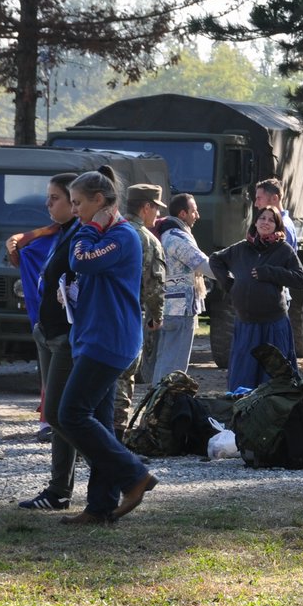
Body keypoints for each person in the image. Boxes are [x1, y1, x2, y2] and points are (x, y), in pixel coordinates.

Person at [57, 169, 157, 526]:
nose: (74, 210)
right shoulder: (103, 232)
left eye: (79, 203)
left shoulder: (122, 235)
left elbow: (81, 259)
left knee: (70, 415)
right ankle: (100, 507)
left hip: (110, 341)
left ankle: (135, 474)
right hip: (92, 338)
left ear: (99, 201)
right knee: (99, 423)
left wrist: (92, 227)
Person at [17, 172, 82, 511]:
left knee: (61, 414)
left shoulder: (80, 237)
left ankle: (118, 469)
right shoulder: (58, 234)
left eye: (54, 198)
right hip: (49, 332)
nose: (48, 204)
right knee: (56, 415)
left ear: (74, 203)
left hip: (67, 338)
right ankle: (59, 489)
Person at [210, 205, 303, 391]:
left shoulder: (283, 250)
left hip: (273, 325)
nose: (266, 222)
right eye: (262, 218)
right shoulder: (241, 248)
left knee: (273, 378)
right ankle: (242, 413)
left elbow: (301, 279)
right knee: (243, 376)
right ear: (255, 222)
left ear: (277, 226)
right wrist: (229, 284)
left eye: (271, 220)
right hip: (246, 325)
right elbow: (215, 259)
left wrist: (270, 273)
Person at [115, 184, 167, 439]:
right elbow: (154, 285)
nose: (157, 214)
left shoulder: (110, 232)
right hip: (128, 317)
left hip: (100, 316)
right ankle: (116, 435)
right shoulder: (147, 239)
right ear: (146, 207)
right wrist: (156, 317)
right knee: (125, 375)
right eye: (156, 207)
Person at [148, 193, 211, 382]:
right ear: (183, 214)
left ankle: (157, 403)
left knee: (164, 360)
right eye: (194, 211)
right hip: (180, 310)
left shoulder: (165, 234)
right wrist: (232, 273)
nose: (197, 215)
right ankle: (167, 405)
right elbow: (201, 264)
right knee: (174, 366)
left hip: (166, 308)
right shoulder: (177, 237)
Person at [254, 178, 298, 251]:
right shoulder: (281, 224)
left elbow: (279, 261)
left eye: (259, 198)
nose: (256, 204)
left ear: (274, 198)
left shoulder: (283, 227)